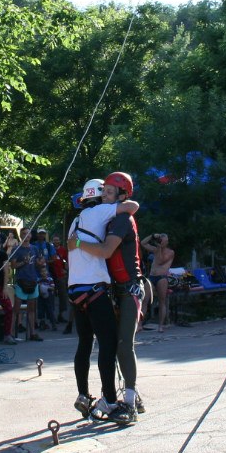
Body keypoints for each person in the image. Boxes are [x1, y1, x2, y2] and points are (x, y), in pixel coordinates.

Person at [75, 172, 145, 425]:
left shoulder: (122, 219)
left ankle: (129, 403)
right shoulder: (110, 219)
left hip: (130, 288)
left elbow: (105, 251)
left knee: (124, 344)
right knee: (115, 344)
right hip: (118, 289)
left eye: (108, 192)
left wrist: (78, 243)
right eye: (102, 191)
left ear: (121, 196)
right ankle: (132, 395)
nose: (103, 195)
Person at [11, 231, 42, 341]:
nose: (27, 235)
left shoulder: (34, 249)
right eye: (24, 233)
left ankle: (32, 333)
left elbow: (38, 263)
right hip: (21, 281)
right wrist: (24, 262)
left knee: (32, 309)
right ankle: (10, 334)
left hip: (33, 281)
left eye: (28, 233)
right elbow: (13, 265)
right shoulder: (16, 249)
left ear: (31, 235)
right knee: (16, 309)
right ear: (21, 235)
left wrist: (41, 263)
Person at [141, 232, 175, 332]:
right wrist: (152, 236)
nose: (161, 242)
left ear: (167, 242)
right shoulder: (155, 249)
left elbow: (160, 261)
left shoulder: (170, 252)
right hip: (151, 277)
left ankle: (160, 325)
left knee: (162, 301)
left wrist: (159, 248)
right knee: (144, 300)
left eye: (163, 240)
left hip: (162, 278)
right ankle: (139, 324)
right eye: (160, 240)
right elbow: (143, 243)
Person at [36, 259, 56, 330]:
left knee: (50, 310)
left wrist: (47, 288)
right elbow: (37, 287)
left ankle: (53, 323)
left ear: (47, 272)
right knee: (41, 310)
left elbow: (53, 288)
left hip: (49, 296)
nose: (43, 273)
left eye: (45, 271)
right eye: (42, 271)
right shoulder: (39, 280)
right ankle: (42, 323)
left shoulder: (50, 279)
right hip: (41, 296)